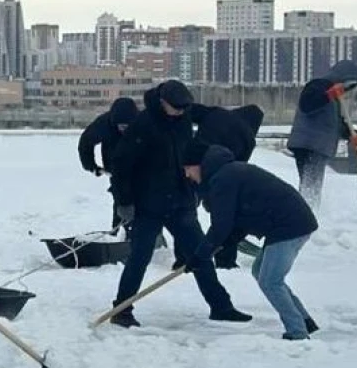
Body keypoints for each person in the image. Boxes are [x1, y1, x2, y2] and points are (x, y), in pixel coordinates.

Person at [107, 80, 251, 328]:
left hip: (180, 202)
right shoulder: (142, 126)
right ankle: (122, 309)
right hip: (148, 205)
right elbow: (121, 165)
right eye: (177, 108)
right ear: (162, 102)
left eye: (185, 109)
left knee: (200, 255)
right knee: (139, 258)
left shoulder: (183, 119)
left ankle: (221, 307)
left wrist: (197, 189)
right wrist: (125, 202)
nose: (182, 113)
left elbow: (192, 150)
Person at [183, 140, 319, 340]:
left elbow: (222, 225)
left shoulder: (223, 179)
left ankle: (297, 331)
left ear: (198, 165)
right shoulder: (228, 172)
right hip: (289, 222)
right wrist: (222, 244)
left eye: (187, 169)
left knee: (271, 281)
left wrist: (200, 255)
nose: (187, 175)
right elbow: (239, 221)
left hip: (289, 225)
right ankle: (304, 320)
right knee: (263, 273)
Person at [189, 103, 265, 267]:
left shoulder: (217, 112)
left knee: (185, 211)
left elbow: (191, 111)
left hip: (192, 162)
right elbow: (238, 168)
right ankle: (225, 260)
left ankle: (186, 252)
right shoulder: (249, 139)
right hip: (218, 175)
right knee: (223, 218)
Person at [286, 60, 357, 208]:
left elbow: (336, 124)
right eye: (346, 83)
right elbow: (307, 105)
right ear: (339, 77)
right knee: (310, 185)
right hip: (308, 143)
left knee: (312, 184)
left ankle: (310, 212)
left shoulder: (335, 99)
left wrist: (352, 134)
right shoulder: (317, 85)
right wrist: (329, 94)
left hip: (319, 147)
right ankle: (307, 214)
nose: (346, 88)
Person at [78, 96, 139, 232]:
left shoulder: (143, 122)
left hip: (140, 169)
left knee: (144, 203)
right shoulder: (104, 124)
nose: (124, 129)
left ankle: (150, 237)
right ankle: (119, 233)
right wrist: (91, 165)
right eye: (121, 126)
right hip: (115, 169)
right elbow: (86, 142)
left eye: (127, 126)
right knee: (121, 202)